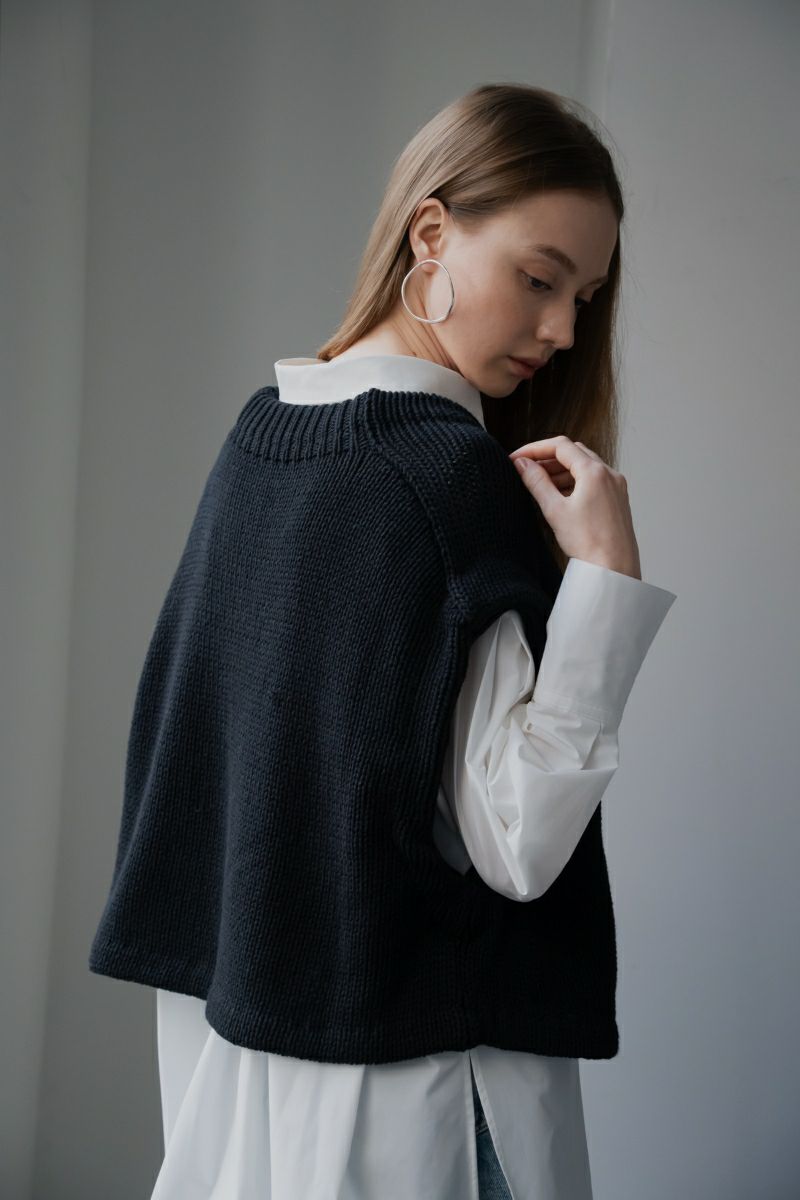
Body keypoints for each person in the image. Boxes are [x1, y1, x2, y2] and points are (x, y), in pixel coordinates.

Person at [89, 83, 677, 1199]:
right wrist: (605, 583)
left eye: (584, 297)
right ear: (431, 232)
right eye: (539, 278)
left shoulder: (260, 443)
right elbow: (515, 843)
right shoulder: (449, 479)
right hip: (430, 1092)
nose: (562, 331)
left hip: (247, 1076)